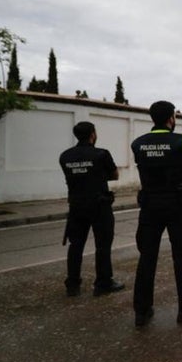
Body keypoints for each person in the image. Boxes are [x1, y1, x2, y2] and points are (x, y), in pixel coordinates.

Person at [131, 101, 182, 327]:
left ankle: (142, 312)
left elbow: (144, 165)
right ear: (171, 118)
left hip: (149, 206)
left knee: (147, 257)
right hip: (176, 205)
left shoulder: (138, 143)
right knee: (181, 256)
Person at [59, 121, 125, 297]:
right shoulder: (101, 154)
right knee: (102, 245)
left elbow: (70, 176)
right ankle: (103, 283)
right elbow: (115, 175)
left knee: (75, 246)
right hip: (99, 205)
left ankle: (72, 284)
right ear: (93, 134)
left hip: (76, 206)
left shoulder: (65, 156)